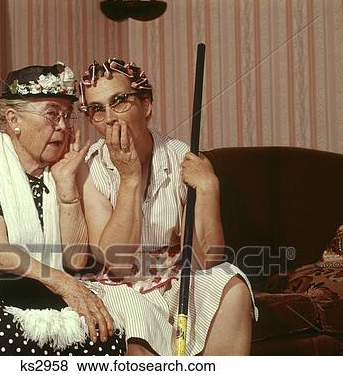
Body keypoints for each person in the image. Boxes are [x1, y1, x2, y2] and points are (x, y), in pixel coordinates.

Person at [0, 63, 126, 356]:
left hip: (42, 293)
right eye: (52, 113)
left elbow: (77, 260)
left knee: (107, 334)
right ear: (14, 119)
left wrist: (66, 185)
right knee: (0, 333)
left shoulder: (61, 169)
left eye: (67, 116)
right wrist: (63, 284)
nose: (63, 126)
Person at [77, 58, 259, 355]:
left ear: (146, 106)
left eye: (119, 101)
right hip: (118, 285)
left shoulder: (182, 159)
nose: (109, 117)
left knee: (232, 284)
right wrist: (130, 178)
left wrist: (210, 188)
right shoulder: (89, 168)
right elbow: (117, 260)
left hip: (175, 279)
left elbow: (207, 259)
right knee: (133, 316)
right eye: (97, 109)